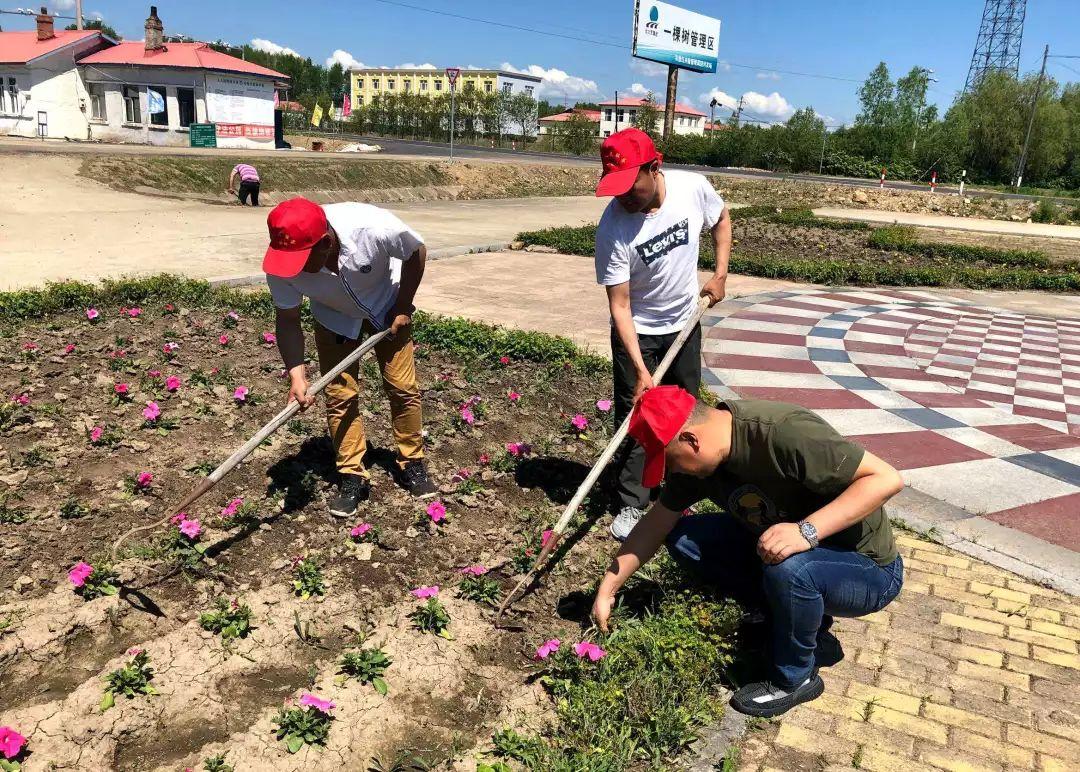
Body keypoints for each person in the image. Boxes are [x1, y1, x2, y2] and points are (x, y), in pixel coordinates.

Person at [591, 386, 905, 718]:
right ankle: (794, 619)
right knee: (685, 538)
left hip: (867, 568)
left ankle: (795, 679)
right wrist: (607, 590)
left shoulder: (783, 432)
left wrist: (806, 531)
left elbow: (885, 478)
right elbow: (655, 524)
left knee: (793, 570)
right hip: (795, 553)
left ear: (691, 440)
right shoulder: (700, 462)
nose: (672, 473)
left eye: (669, 462)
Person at [593, 127, 732, 541]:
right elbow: (620, 306)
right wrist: (640, 369)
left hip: (685, 324)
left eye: (629, 186)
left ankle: (683, 490)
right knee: (639, 417)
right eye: (614, 188)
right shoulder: (613, 228)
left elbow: (721, 220)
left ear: (655, 167)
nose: (623, 197)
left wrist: (721, 274)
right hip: (637, 332)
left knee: (687, 410)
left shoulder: (693, 189)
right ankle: (633, 502)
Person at [262, 196, 437, 518]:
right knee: (340, 394)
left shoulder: (373, 227)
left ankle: (412, 460)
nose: (295, 270)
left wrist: (403, 305)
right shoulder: (282, 263)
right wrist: (297, 375)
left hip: (387, 310)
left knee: (402, 387)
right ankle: (351, 472)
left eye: (303, 260)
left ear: (325, 242)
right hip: (335, 318)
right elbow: (287, 321)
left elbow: (416, 252)